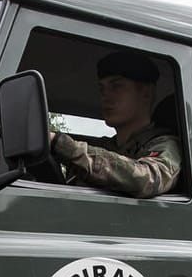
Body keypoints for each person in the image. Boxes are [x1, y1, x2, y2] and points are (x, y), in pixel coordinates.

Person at [48, 50, 182, 198]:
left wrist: (60, 144)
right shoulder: (107, 146)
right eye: (102, 89)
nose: (105, 96)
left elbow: (147, 179)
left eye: (116, 86)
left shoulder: (166, 145)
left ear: (146, 93)